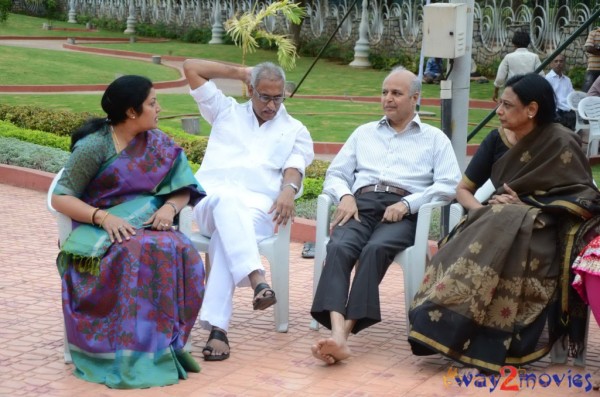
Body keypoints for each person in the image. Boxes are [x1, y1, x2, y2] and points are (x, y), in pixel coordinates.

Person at [408, 73, 600, 374]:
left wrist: (529, 206)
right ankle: (438, 324)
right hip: (491, 221)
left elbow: (586, 198)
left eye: (507, 105)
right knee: (490, 225)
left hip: (544, 230)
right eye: (500, 103)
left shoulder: (562, 142)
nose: (498, 111)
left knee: (509, 224)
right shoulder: (496, 138)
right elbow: (463, 191)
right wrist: (481, 212)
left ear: (531, 109)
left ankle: (487, 340)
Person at [51, 75, 206, 388]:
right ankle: (126, 351)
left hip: (150, 224)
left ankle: (164, 346)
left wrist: (169, 209)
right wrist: (102, 217)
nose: (159, 108)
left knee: (182, 252)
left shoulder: (158, 143)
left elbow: (183, 187)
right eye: (152, 103)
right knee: (135, 253)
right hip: (102, 232)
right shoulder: (95, 146)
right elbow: (60, 196)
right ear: (132, 112)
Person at [310, 66, 461, 365]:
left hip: (401, 212)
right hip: (360, 205)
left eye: (396, 93)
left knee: (375, 250)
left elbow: (448, 185)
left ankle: (344, 334)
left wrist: (409, 205)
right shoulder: (363, 133)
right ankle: (338, 333)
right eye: (384, 92)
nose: (387, 99)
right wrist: (346, 195)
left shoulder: (434, 139)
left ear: (415, 98)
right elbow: (336, 173)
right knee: (338, 247)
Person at [182, 59, 314, 361]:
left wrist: (288, 190)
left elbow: (296, 167)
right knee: (228, 202)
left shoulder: (294, 129)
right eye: (264, 96)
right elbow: (191, 67)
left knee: (224, 238)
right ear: (250, 90)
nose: (271, 104)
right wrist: (242, 72)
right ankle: (256, 277)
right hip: (210, 203)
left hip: (257, 213)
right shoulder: (224, 110)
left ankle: (218, 329)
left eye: (278, 97)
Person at [493, 31, 544, 103]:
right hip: (530, 91)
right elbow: (542, 77)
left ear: (514, 43)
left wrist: (496, 92)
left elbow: (500, 78)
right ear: (528, 43)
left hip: (513, 91)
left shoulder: (508, 57)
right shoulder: (534, 57)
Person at [545, 54, 576, 130]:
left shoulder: (567, 80)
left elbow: (572, 95)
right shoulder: (547, 79)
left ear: (564, 63)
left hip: (568, 110)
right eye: (556, 61)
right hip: (556, 111)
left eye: (561, 61)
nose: (558, 63)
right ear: (551, 64)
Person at [583, 27, 600, 93]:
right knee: (587, 92)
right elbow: (588, 48)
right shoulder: (593, 33)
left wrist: (597, 46)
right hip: (593, 69)